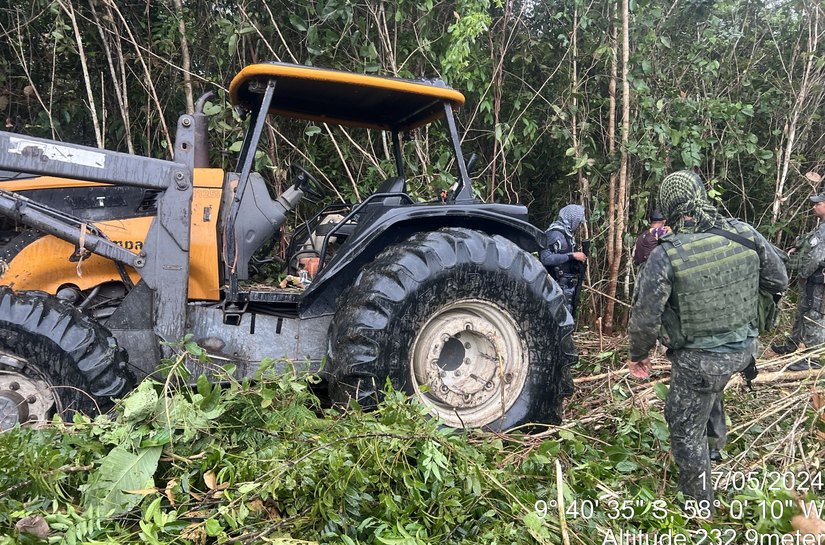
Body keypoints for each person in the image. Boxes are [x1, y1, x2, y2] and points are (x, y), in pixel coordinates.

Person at [626, 170, 788, 509]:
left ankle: (700, 507)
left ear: (669, 207)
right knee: (709, 389)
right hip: (745, 350)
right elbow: (778, 279)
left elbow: (646, 316)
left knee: (684, 430)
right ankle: (714, 449)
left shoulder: (665, 255)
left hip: (700, 361)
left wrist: (639, 354)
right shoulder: (744, 233)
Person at [770, 189, 825, 370]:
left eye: (818, 204)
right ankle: (791, 345)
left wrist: (803, 274)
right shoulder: (821, 227)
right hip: (811, 282)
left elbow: (816, 258)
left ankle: (813, 359)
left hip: (818, 282)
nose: (814, 207)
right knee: (802, 312)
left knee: (814, 317)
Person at [540, 204, 587, 319]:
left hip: (567, 286)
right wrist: (572, 256)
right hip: (558, 285)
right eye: (578, 222)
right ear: (572, 218)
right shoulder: (555, 233)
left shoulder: (567, 234)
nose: (578, 225)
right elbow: (545, 258)